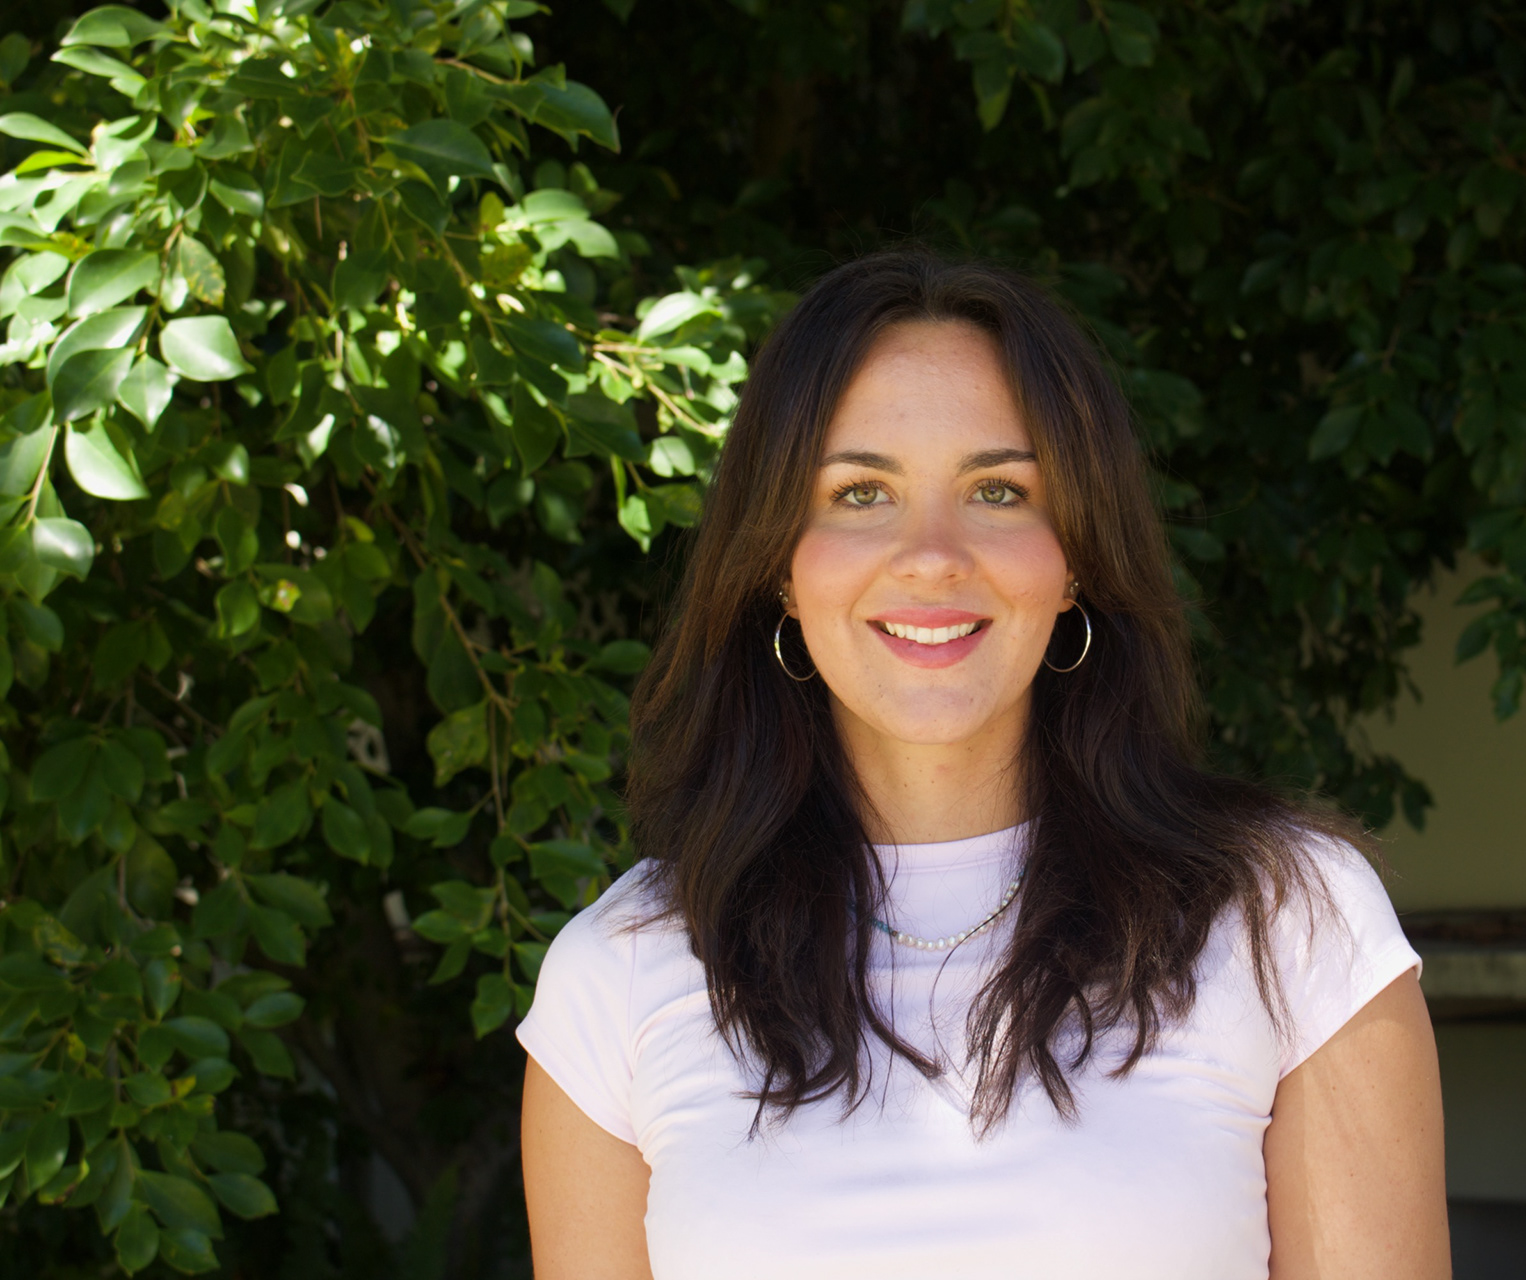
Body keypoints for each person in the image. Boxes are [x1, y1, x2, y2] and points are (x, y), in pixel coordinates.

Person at [517, 252, 1449, 1279]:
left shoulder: (1289, 922)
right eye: (860, 491)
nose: (931, 553)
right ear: (780, 565)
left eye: (999, 489)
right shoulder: (622, 972)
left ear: (1077, 555)